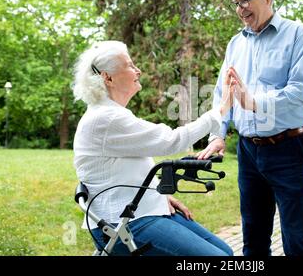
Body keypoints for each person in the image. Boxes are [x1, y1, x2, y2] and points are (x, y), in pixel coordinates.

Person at [72, 40, 234, 256]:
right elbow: (172, 140)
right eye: (129, 65)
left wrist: (160, 197)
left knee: (225, 252)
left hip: (139, 213)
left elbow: (127, 170)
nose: (138, 70)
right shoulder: (106, 118)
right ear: (107, 77)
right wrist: (221, 110)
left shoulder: (111, 114)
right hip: (122, 225)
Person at [197, 0, 303, 256]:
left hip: (291, 147)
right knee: (253, 238)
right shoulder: (235, 44)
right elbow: (221, 94)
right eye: (236, 3)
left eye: (246, 0)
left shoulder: (297, 34)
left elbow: (298, 91)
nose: (241, 9)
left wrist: (254, 102)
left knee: (297, 238)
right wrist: (218, 134)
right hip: (249, 151)